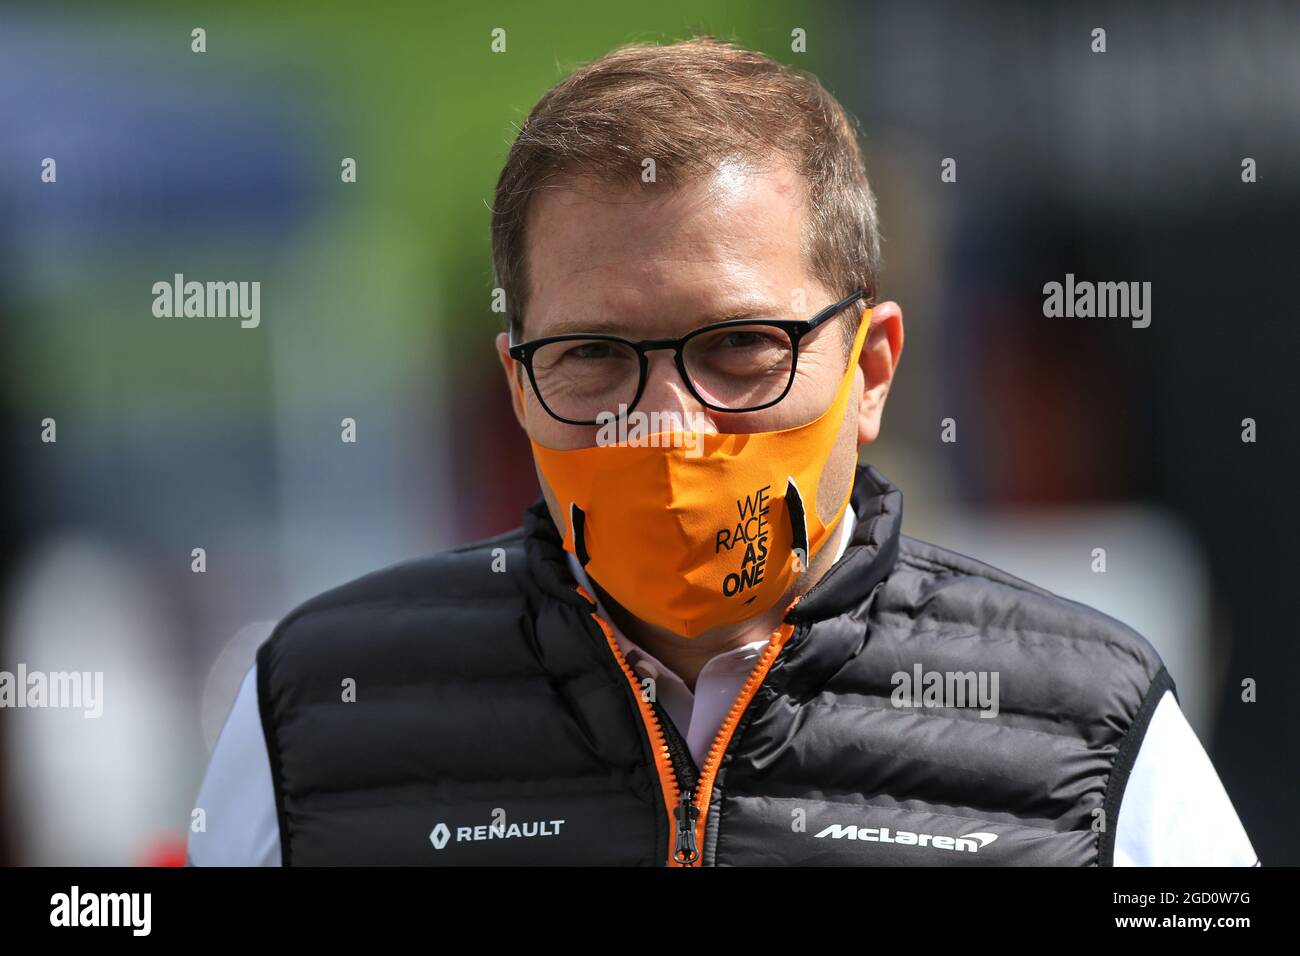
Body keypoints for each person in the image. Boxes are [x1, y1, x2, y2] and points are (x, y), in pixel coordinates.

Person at [188, 37, 1257, 866]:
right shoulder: (318, 710)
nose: (664, 420)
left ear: (870, 369)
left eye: (740, 346)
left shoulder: (1094, 728)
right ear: (517, 383)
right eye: (595, 356)